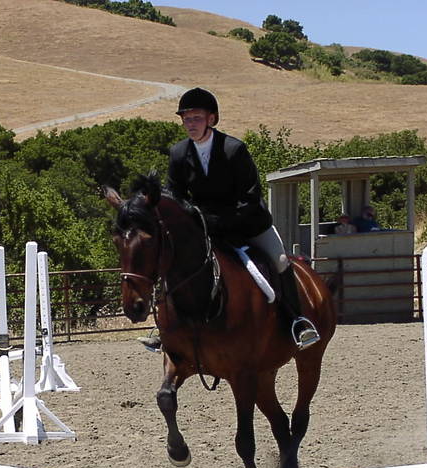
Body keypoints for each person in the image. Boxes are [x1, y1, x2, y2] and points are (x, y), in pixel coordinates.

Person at [137, 87, 320, 352]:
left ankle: (297, 321)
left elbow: (250, 196)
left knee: (280, 260)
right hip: (205, 229)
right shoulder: (178, 153)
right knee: (174, 263)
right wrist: (191, 224)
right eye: (186, 119)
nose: (190, 124)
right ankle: (167, 328)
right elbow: (176, 196)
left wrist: (219, 222)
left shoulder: (234, 149)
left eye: (196, 118)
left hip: (247, 224)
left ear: (211, 119)